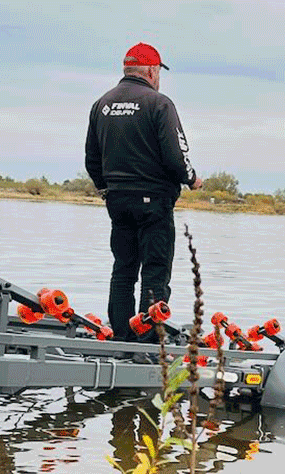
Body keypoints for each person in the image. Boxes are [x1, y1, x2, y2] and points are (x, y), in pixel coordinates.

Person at [86, 42, 202, 343]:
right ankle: (148, 342)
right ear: (151, 70)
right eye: (159, 72)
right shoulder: (159, 103)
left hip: (118, 201)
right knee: (154, 271)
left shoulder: (102, 104)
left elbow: (91, 158)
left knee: (123, 269)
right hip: (154, 202)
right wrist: (191, 179)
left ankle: (122, 337)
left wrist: (105, 190)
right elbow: (177, 156)